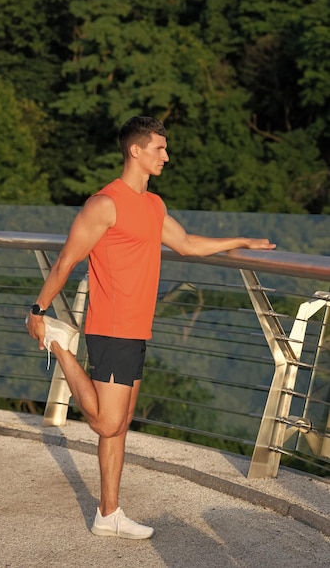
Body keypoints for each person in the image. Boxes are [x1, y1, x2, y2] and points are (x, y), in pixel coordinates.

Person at [26, 116, 276, 539]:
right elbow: (67, 259)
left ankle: (108, 514)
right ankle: (59, 346)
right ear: (135, 151)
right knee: (107, 423)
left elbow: (188, 244)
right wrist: (38, 310)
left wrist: (240, 242)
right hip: (110, 327)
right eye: (159, 148)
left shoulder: (153, 205)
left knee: (120, 427)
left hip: (137, 328)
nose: (166, 155)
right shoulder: (104, 204)